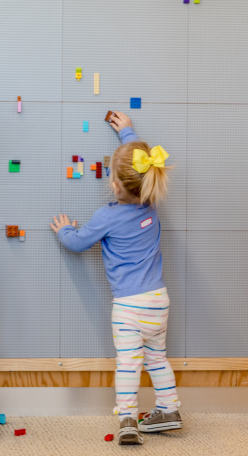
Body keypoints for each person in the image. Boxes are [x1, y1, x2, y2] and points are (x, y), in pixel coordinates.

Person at [50, 111, 182, 446]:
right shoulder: (150, 204)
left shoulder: (106, 216)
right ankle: (169, 409)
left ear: (114, 185)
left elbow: (77, 243)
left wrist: (64, 229)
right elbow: (138, 167)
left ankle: (127, 419)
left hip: (128, 307)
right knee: (156, 358)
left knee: (128, 362)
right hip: (158, 302)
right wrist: (127, 132)